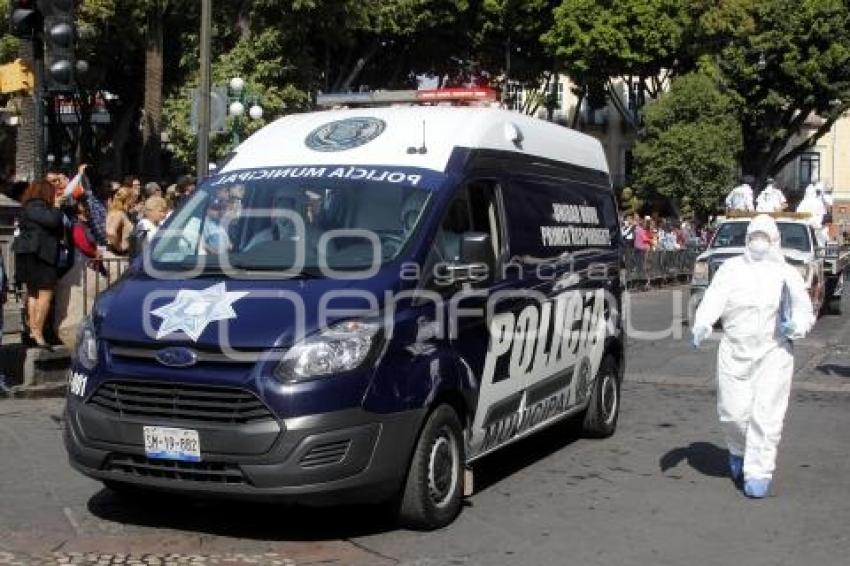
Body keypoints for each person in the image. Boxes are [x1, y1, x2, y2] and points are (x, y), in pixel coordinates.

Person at [691, 214, 814, 498]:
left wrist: (796, 325)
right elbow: (713, 298)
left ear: (775, 242)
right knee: (733, 413)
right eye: (754, 236)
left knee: (765, 416)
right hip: (735, 350)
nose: (759, 243)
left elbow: (803, 309)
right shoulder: (731, 269)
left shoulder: (787, 273)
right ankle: (739, 449)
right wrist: (702, 323)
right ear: (746, 239)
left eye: (765, 237)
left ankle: (759, 471)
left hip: (774, 352)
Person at [12, 180, 64, 348]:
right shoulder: (36, 206)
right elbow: (53, 221)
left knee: (33, 293)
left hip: (29, 254)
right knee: (45, 294)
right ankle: (37, 332)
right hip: (40, 254)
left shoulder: (28, 206)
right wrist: (56, 207)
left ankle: (33, 331)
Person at [106, 187, 135, 254]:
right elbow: (110, 232)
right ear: (128, 200)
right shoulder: (119, 214)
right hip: (118, 256)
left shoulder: (113, 211)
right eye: (133, 199)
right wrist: (119, 249)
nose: (134, 202)